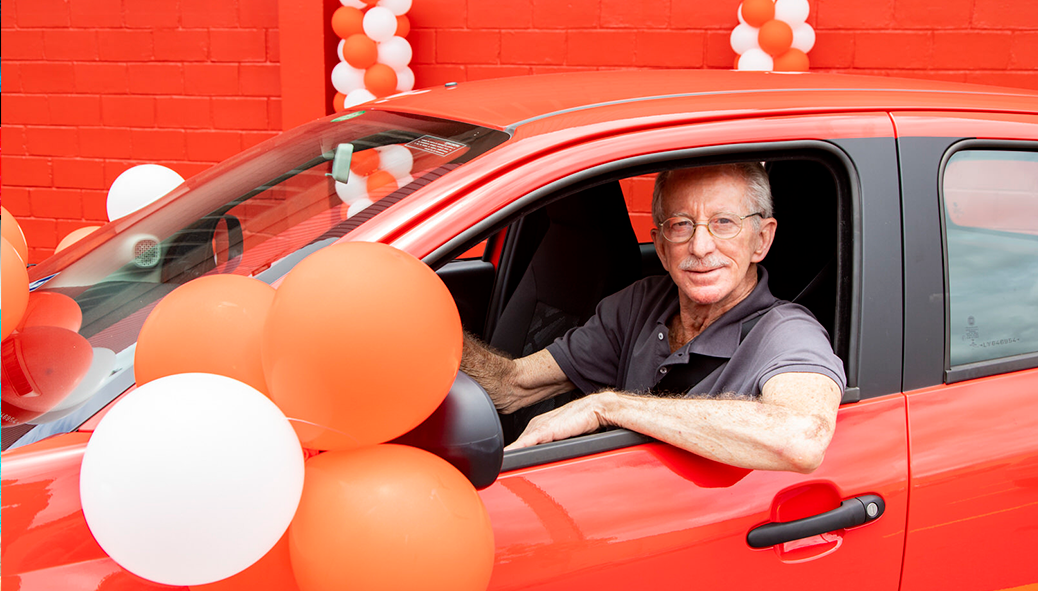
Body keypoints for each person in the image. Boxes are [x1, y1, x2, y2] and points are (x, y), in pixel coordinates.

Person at [461, 163, 845, 473]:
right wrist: (426, 334)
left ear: (761, 240)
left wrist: (607, 405)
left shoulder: (788, 331)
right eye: (680, 225)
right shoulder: (640, 303)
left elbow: (802, 437)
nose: (700, 246)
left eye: (724, 222)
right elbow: (512, 385)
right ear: (661, 247)